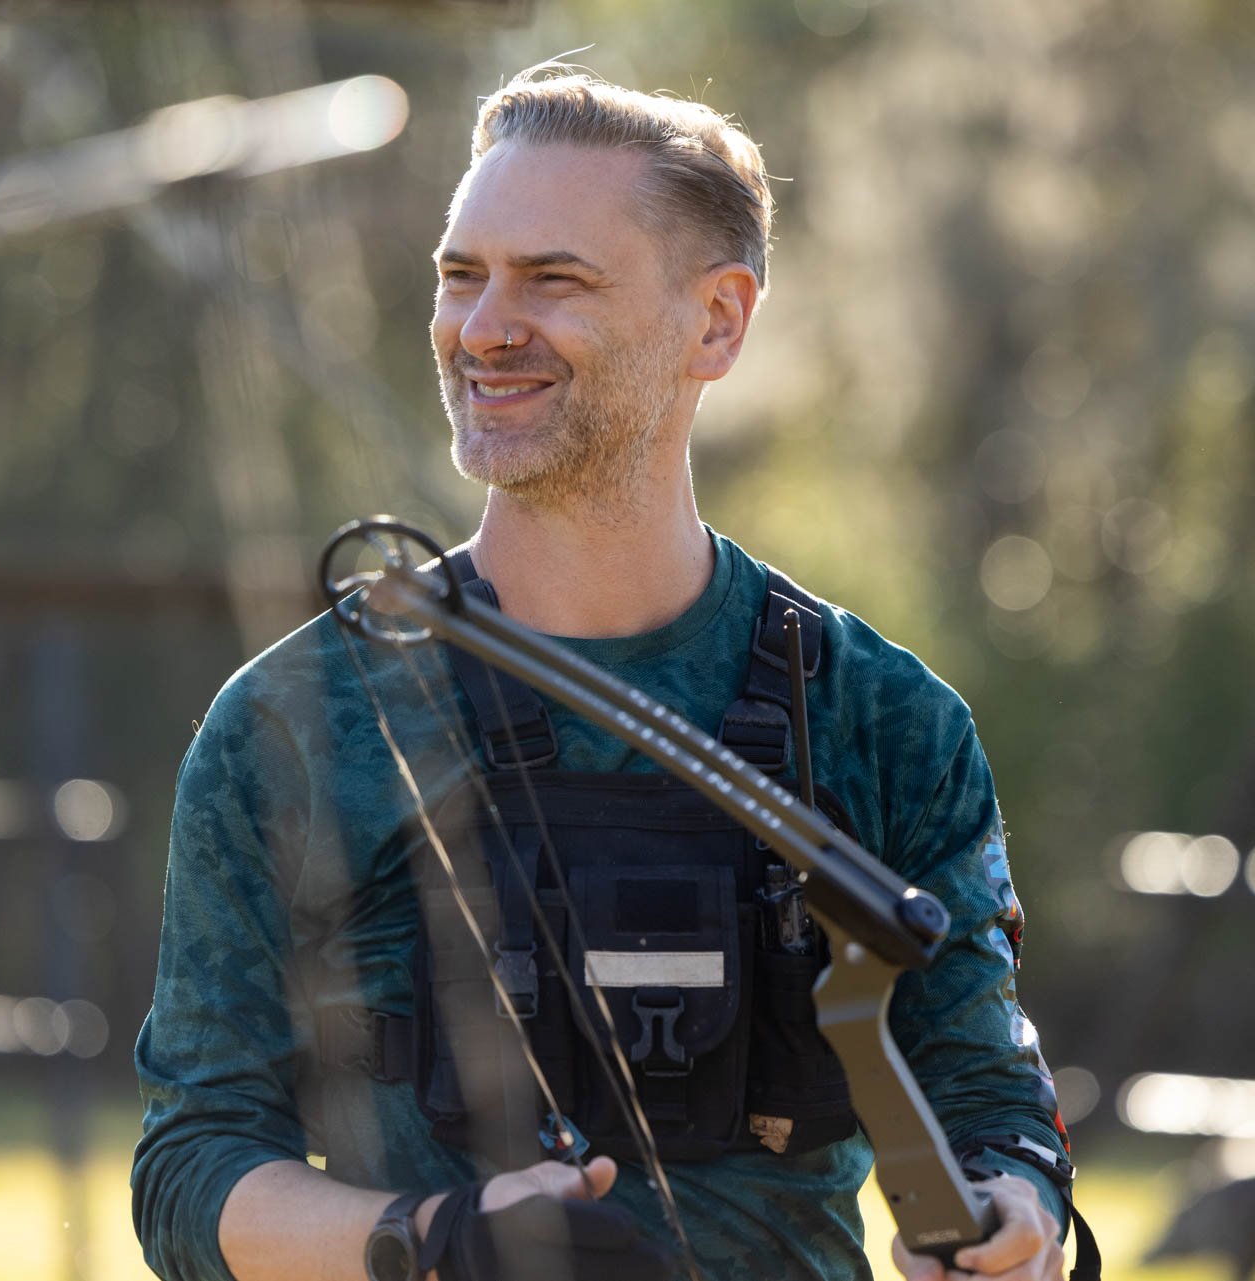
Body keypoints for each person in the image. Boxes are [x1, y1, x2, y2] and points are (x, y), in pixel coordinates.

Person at [133, 67, 1076, 1281]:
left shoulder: (881, 721)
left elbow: (993, 1101)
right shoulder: (297, 719)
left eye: (553, 279)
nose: (482, 329)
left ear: (718, 321)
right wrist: (430, 1238)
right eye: (461, 276)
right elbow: (190, 1167)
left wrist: (1014, 1220)